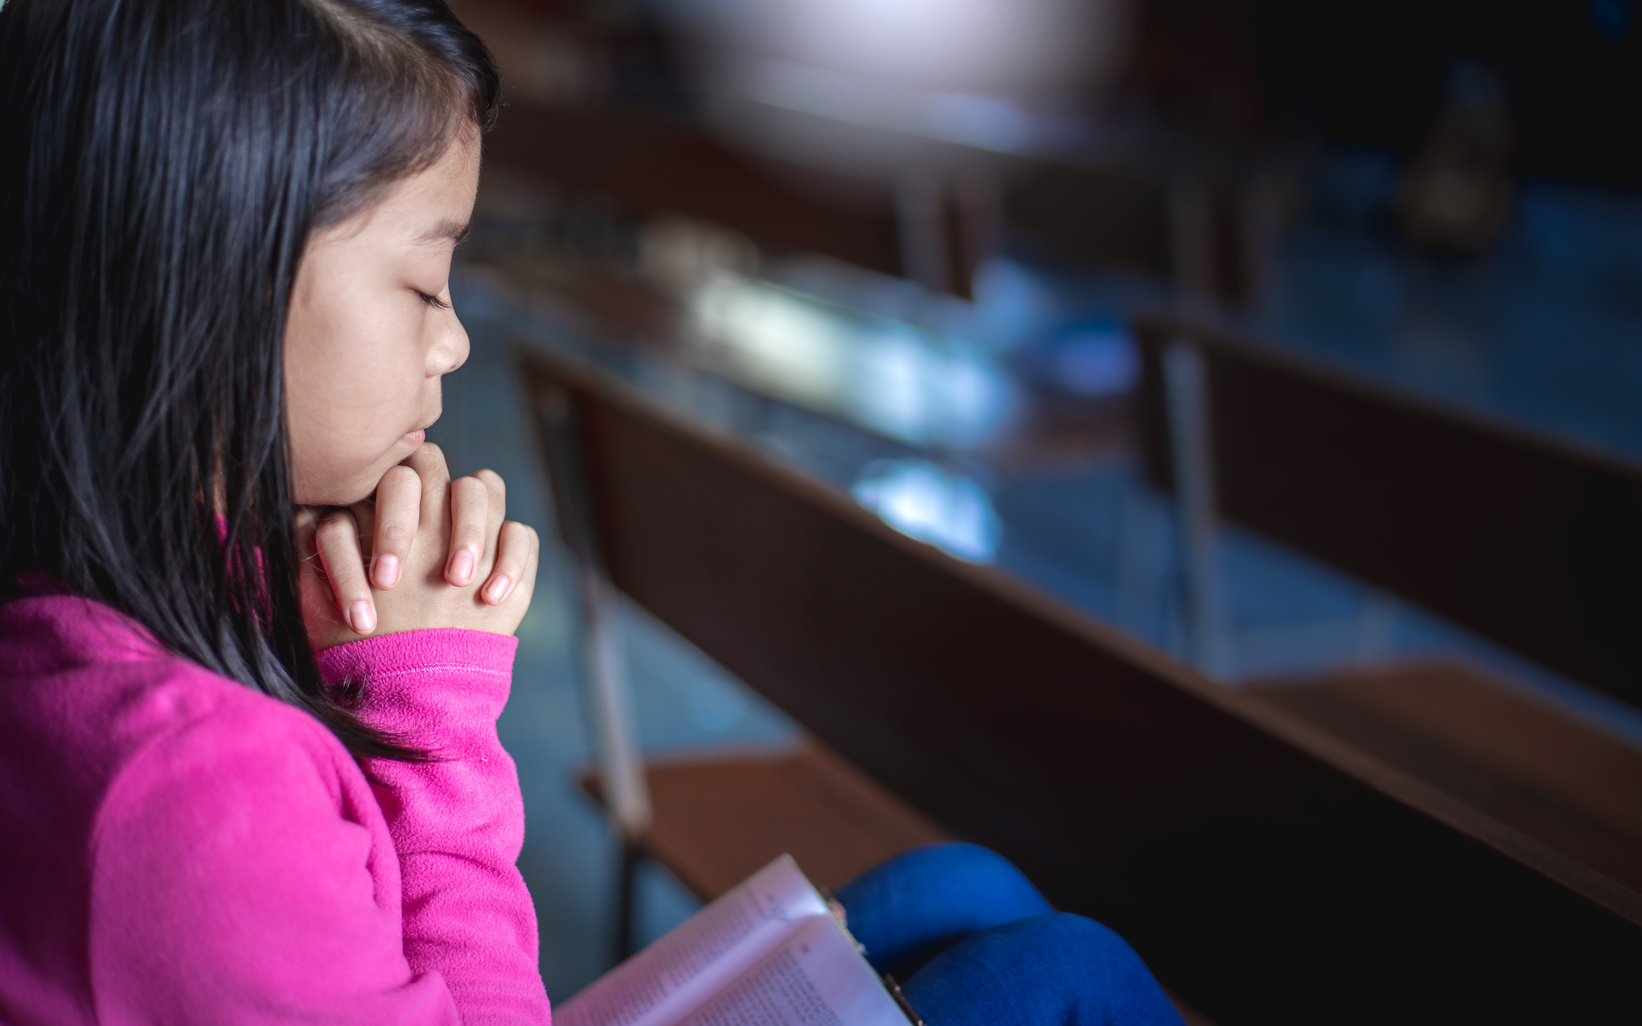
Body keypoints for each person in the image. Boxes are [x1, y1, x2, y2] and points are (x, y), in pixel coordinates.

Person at [0, 2, 1180, 1023]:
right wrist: (429, 726)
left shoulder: (98, 591)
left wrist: (300, 593)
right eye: (421, 284)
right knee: (1063, 976)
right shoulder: (196, 791)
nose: (454, 340)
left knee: (957, 890)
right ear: (210, 291)